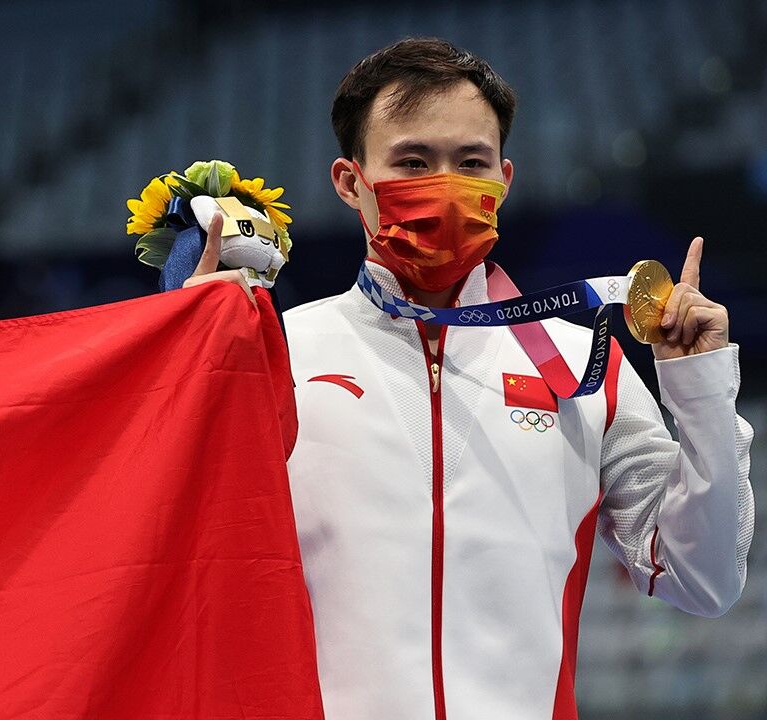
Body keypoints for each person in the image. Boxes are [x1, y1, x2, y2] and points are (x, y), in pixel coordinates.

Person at [184, 38, 753, 718]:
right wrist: (193, 366)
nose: (446, 185)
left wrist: (700, 390)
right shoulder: (279, 353)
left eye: (471, 162)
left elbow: (703, 578)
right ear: (349, 181)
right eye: (413, 162)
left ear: (504, 180)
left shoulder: (586, 368)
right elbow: (179, 553)